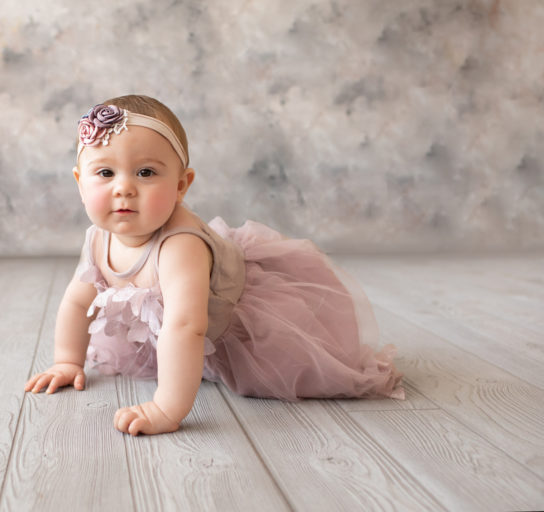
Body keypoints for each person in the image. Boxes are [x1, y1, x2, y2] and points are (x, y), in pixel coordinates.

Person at [24, 94, 403, 436]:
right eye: (105, 173)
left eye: (146, 173)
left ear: (181, 185)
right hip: (179, 331)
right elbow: (77, 302)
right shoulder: (97, 237)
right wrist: (67, 361)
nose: (124, 188)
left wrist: (167, 407)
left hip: (231, 323)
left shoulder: (180, 245)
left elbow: (186, 326)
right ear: (80, 183)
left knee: (280, 368)